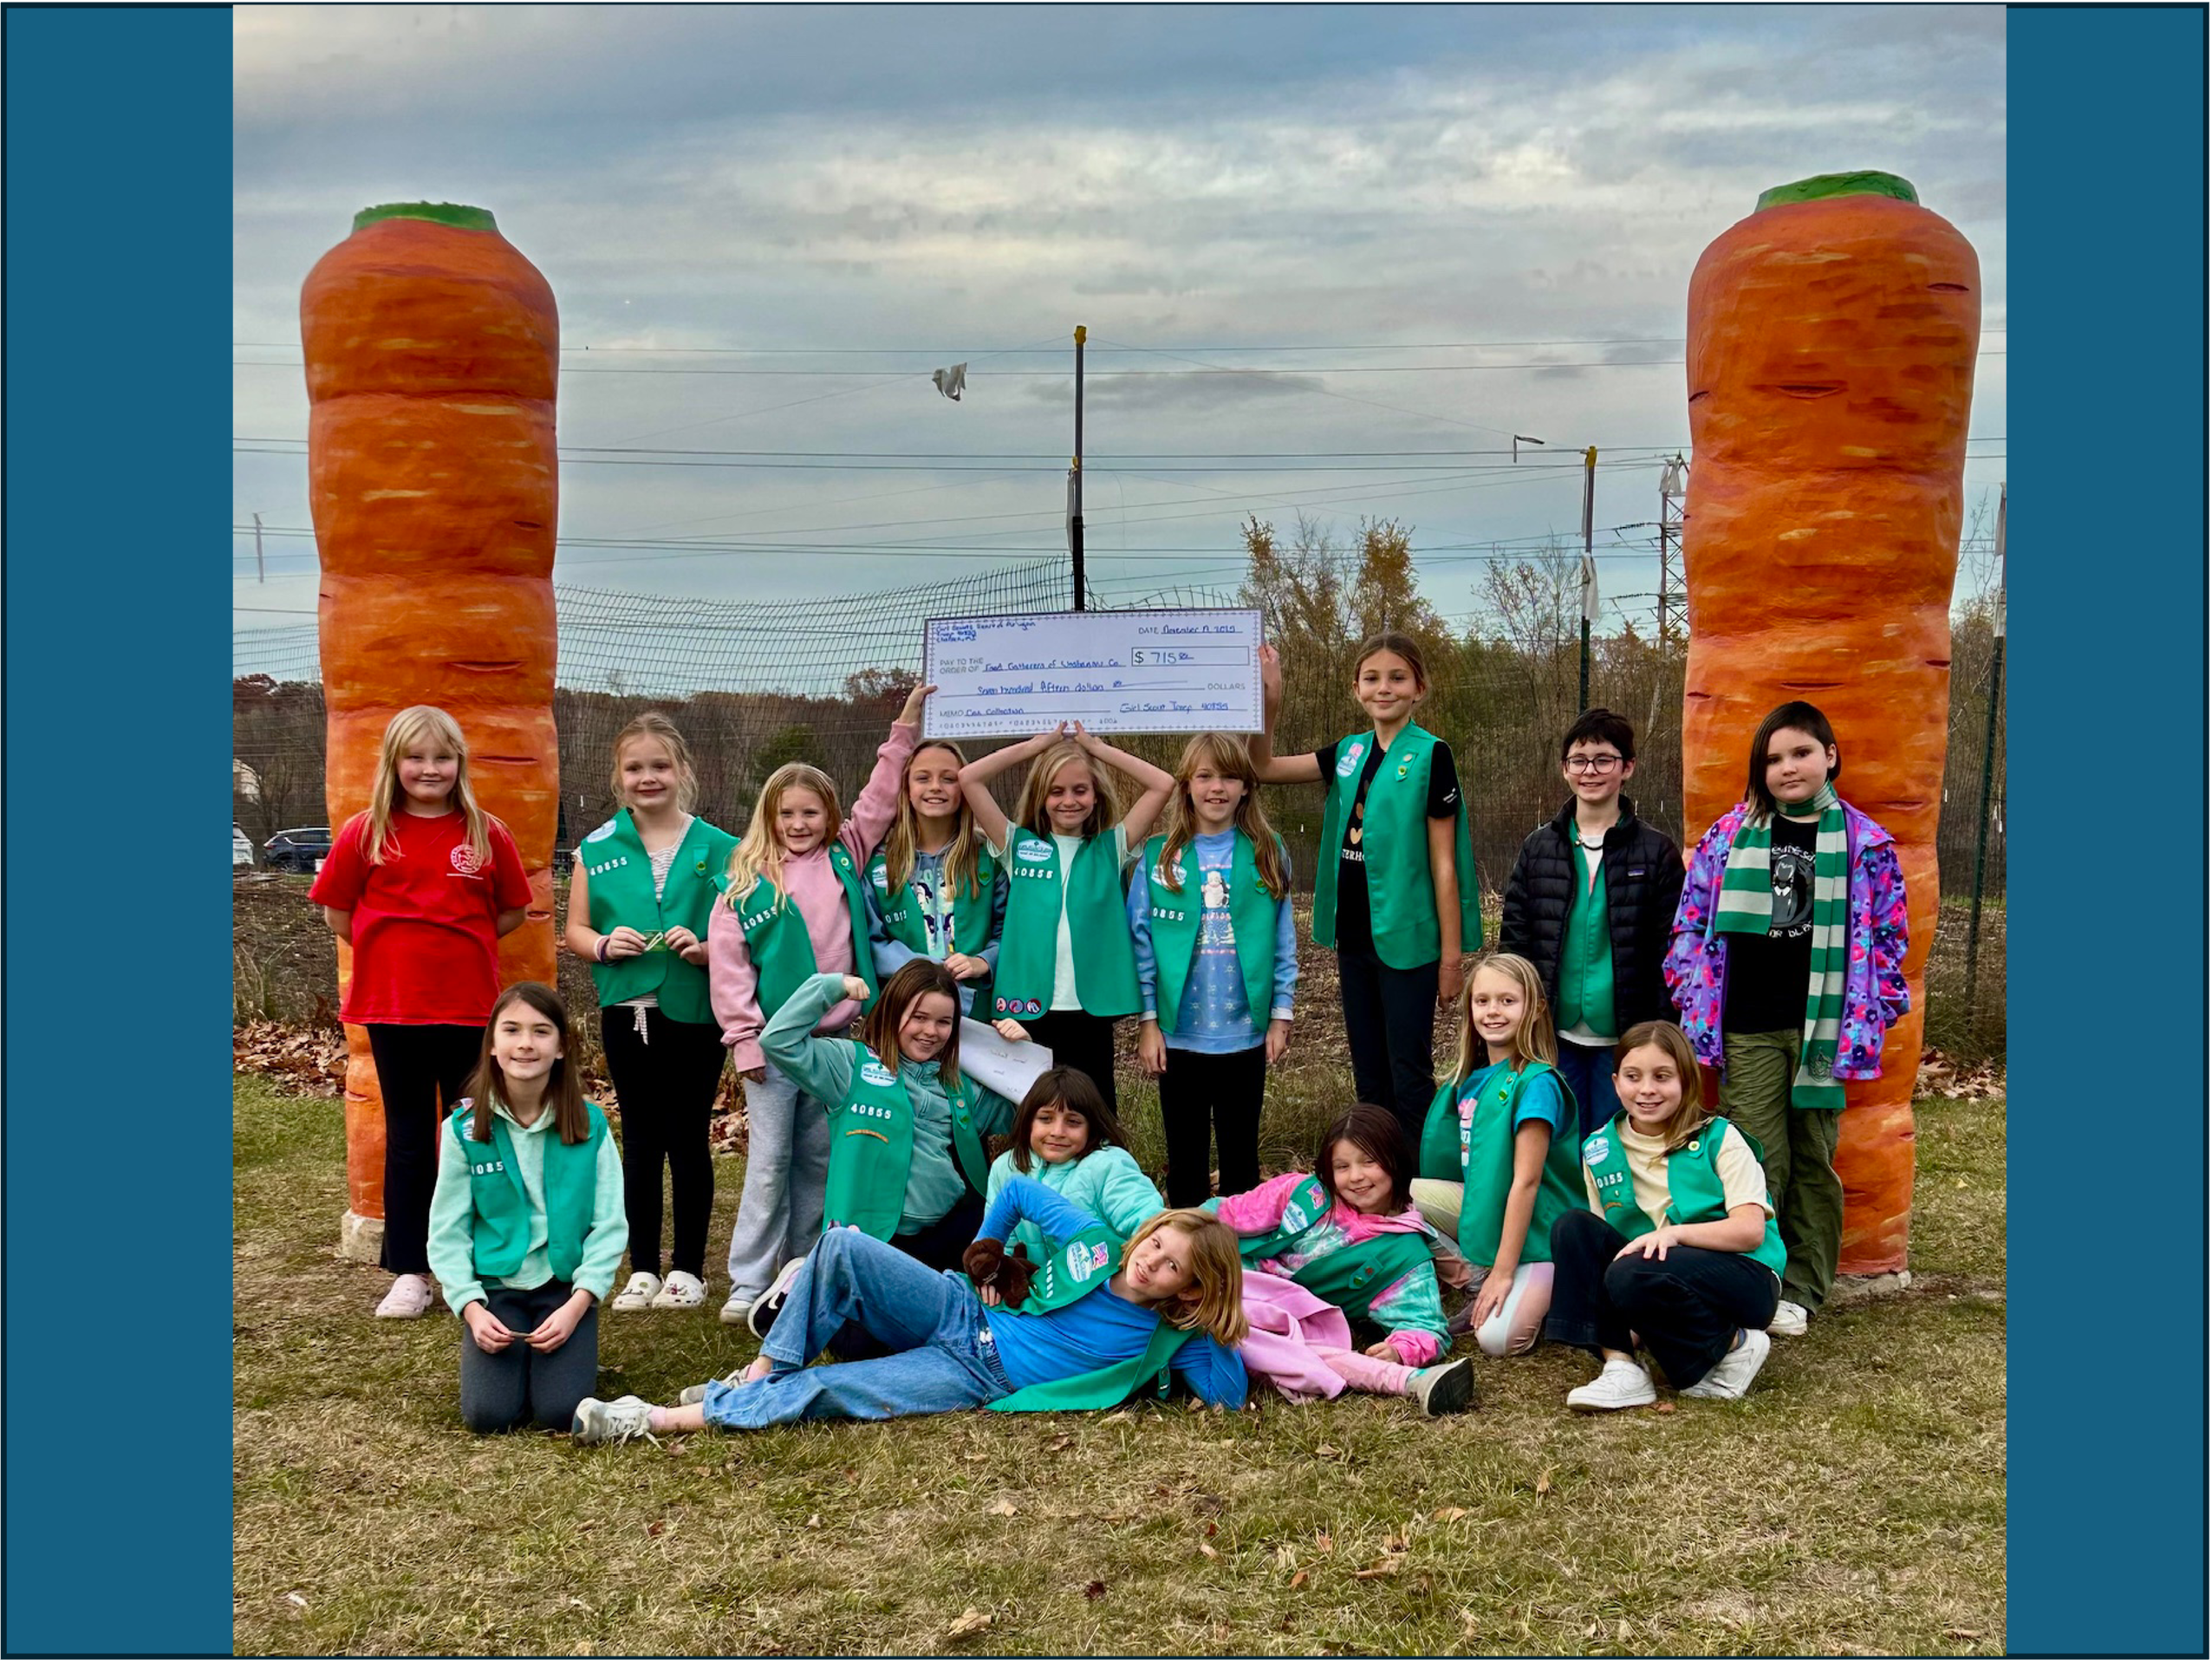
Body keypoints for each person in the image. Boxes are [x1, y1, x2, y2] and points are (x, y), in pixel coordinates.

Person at [570, 1179, 1248, 1441]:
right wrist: (988, 1251)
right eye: (1156, 1242)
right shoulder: (1094, 1242)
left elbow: (1230, 1390)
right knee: (841, 1247)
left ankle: (654, 1417)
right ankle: (759, 1369)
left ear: (1188, 1290)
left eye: (1172, 1267)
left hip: (980, 1373)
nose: (1150, 1260)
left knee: (833, 1389)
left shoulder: (1167, 1337)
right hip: (956, 1305)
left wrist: (1218, 1317)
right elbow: (1014, 1187)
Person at [1666, 700, 1909, 1338]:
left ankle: (1803, 1286)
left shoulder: (1865, 842)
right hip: (1748, 1023)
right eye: (1772, 758)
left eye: (1800, 752)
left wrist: (1871, 1009)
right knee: (1754, 1156)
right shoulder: (1729, 836)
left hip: (1825, 1027)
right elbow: (1692, 922)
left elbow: (1889, 936)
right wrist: (1695, 994)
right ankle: (1758, 1281)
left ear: (1830, 755)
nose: (1786, 767)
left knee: (1813, 1158)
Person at [709, 680, 932, 1325]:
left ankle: (799, 1267)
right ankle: (748, 1279)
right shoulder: (748, 880)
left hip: (835, 1045)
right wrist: (744, 1037)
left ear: (830, 817)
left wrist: (905, 726)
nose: (800, 824)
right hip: (774, 1050)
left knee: (817, 1158)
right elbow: (729, 967)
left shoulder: (846, 856)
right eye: (788, 814)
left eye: (811, 812)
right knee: (770, 1161)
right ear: (770, 818)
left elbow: (882, 797)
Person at [310, 704, 532, 1318]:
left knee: (476, 1135)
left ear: (459, 762)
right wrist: (394, 957)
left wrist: (457, 947)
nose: (429, 768)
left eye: (441, 756)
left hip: (468, 1011)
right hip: (393, 1010)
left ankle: (488, 1260)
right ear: (394, 763)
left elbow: (510, 910)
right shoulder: (367, 831)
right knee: (410, 1140)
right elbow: (337, 912)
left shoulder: (486, 832)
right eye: (416, 756)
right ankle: (411, 1270)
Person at [1249, 635, 1481, 1150]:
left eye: (1397, 677)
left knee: (1408, 1072)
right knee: (1369, 1073)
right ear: (1356, 689)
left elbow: (1444, 866)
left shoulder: (1430, 755)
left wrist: (1450, 960)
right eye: (1372, 678)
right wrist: (1270, 701)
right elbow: (1262, 768)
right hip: (1356, 940)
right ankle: (1378, 1178)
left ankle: (1422, 1190)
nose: (1384, 688)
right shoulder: (1348, 752)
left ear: (1419, 688)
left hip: (1410, 942)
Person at [563, 713, 738, 1313]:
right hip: (627, 1010)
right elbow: (576, 931)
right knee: (638, 1138)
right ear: (618, 775)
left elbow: (745, 934)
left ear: (682, 771)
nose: (648, 777)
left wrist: (709, 949)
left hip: (695, 1010)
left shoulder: (723, 848)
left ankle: (687, 1267)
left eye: (660, 765)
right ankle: (641, 1268)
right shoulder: (598, 846)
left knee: (688, 1134)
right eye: (635, 767)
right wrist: (606, 945)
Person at [746, 964, 1015, 1323]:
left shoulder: (960, 1086)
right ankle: (805, 1280)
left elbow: (1029, 1117)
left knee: (955, 1321)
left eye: (943, 1022)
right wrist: (829, 987)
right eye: (918, 1017)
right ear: (893, 1012)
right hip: (872, 1239)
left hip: (943, 1236)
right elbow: (777, 1040)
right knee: (863, 1345)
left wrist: (1016, 1056)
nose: (930, 1032)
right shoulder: (848, 1065)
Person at [1547, 1022, 1784, 1410]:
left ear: (1686, 1080)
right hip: (1649, 1274)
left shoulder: (1720, 1137)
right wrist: (1626, 1323)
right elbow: (1601, 1258)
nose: (1647, 1090)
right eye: (1633, 1076)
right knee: (1573, 1227)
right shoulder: (1598, 1147)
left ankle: (1735, 1344)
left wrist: (1676, 1235)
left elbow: (1750, 1231)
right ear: (1615, 1081)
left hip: (1743, 1275)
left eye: (1662, 1077)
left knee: (1632, 1270)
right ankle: (1622, 1367)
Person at [426, 983, 627, 1433]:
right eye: (512, 1030)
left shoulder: (589, 1124)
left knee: (560, 1411)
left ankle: (563, 1357)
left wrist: (580, 1302)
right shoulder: (464, 1130)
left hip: (564, 1289)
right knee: (489, 1416)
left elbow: (610, 1224)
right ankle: (507, 1364)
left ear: (560, 1048)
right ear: (493, 1045)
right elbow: (447, 1232)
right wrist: (472, 1309)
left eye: (541, 1031)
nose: (525, 1044)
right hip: (497, 1290)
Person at [958, 722, 1174, 1116]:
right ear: (1041, 798)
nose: (1068, 800)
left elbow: (1162, 784)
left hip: (1089, 1011)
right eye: (1056, 791)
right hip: (1028, 1009)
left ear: (1095, 796)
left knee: (1094, 1114)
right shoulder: (1017, 846)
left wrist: (1095, 748)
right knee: (1038, 1118)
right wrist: (1035, 746)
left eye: (1080, 790)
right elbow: (969, 778)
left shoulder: (1113, 847)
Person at [1213, 1105, 1474, 1416]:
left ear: (1395, 1160)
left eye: (1369, 1161)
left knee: (1272, 1342)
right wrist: (1178, 1228)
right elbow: (1227, 1214)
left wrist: (1399, 1350)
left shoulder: (1403, 1254)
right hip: (1223, 1275)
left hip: (1276, 1320)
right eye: (1342, 1166)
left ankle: (1411, 1380)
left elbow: (1426, 1326)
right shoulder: (1303, 1191)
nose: (1356, 1177)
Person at [1129, 732, 1298, 1207]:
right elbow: (1140, 944)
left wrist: (1281, 1014)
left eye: (1229, 776)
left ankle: (1238, 1262)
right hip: (1178, 1034)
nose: (1216, 787)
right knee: (1185, 1159)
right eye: (1204, 776)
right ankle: (1186, 1259)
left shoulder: (1267, 850)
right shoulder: (1161, 857)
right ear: (1186, 786)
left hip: (1244, 1034)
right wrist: (1147, 1022)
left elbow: (1283, 939)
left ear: (1247, 786)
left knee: (1241, 1159)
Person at [1500, 707, 1685, 1141]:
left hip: (1625, 1043)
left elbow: (1672, 952)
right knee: (1558, 1146)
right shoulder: (1539, 847)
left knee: (1616, 1147)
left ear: (1628, 768)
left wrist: (1658, 1035)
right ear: (1565, 769)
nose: (1591, 771)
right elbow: (1515, 941)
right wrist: (1520, 1020)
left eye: (1604, 759)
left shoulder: (1657, 853)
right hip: (1552, 1038)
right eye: (1579, 760)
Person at [1411, 954, 1580, 1357]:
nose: (1493, 1012)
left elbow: (1527, 1182)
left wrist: (1505, 1274)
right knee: (1404, 1199)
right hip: (1492, 1213)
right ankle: (1474, 1277)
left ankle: (1553, 1284)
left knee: (1497, 1340)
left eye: (1508, 1001)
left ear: (1535, 1008)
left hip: (1540, 1234)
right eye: (1483, 1001)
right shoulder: (1472, 1080)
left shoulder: (1536, 1082)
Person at [864, 736, 1007, 1018]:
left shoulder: (990, 858)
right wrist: (923, 967)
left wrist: (983, 961)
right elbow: (872, 940)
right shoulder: (879, 863)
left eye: (949, 779)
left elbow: (1012, 931)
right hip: (904, 1011)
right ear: (905, 788)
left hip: (977, 1013)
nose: (935, 787)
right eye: (923, 778)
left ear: (965, 788)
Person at [984, 1066, 1163, 1263]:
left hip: (1101, 1285)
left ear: (1091, 1127)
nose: (1058, 1131)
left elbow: (1148, 1222)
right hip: (1035, 1289)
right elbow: (998, 1244)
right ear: (1028, 1121)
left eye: (1073, 1122)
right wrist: (996, 1276)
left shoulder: (1109, 1164)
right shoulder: (1006, 1167)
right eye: (1045, 1119)